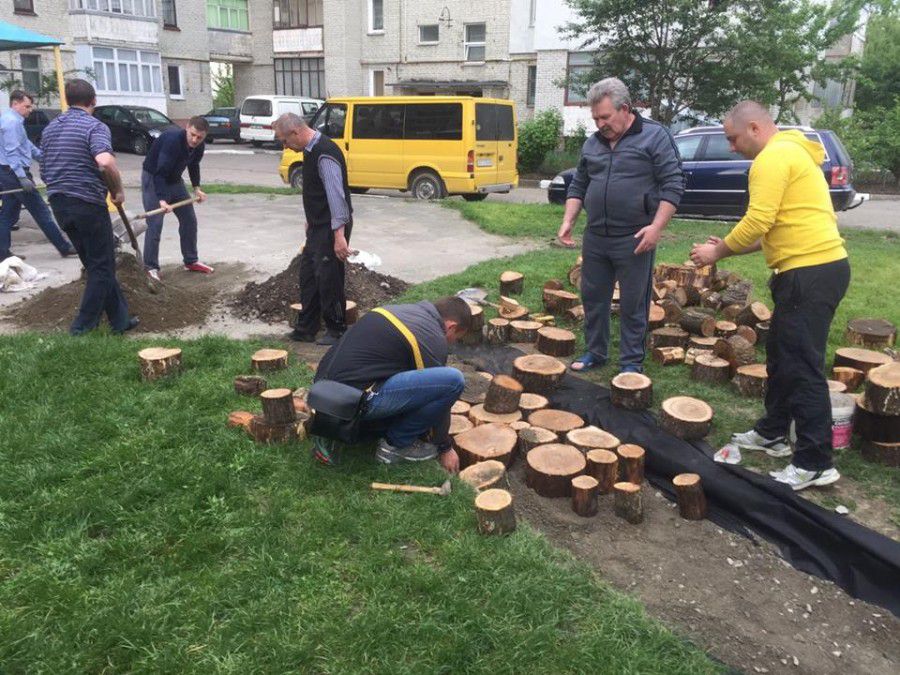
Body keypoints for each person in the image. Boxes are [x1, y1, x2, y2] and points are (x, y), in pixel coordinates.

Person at [690, 100, 850, 491]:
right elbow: (773, 229)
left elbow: (757, 221)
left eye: (733, 138)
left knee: (802, 365)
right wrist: (729, 245)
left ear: (755, 129)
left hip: (809, 273)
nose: (731, 147)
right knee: (781, 354)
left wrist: (718, 251)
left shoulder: (771, 160)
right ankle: (773, 432)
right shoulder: (791, 152)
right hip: (812, 269)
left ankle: (815, 462)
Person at [557, 77, 684, 374]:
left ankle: (630, 363)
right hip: (597, 236)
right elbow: (579, 185)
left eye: (605, 117)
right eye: (596, 118)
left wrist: (657, 227)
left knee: (633, 303)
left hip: (635, 236)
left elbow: (674, 184)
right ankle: (595, 352)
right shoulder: (593, 143)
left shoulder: (655, 136)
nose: (600, 124)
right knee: (593, 298)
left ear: (625, 108)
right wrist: (568, 222)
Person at [312, 296, 472, 472]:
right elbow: (439, 392)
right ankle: (396, 446)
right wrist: (445, 447)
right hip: (354, 401)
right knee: (453, 381)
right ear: (452, 327)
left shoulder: (400, 311)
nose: (451, 343)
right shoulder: (432, 336)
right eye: (456, 338)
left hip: (322, 392)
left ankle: (342, 430)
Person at [40, 79, 138, 336]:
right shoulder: (94, 126)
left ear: (67, 99)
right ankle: (81, 328)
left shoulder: (50, 129)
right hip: (86, 204)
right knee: (103, 267)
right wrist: (117, 191)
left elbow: (43, 170)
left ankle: (121, 320)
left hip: (59, 204)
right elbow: (105, 162)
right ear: (93, 101)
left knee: (97, 266)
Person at [273, 112, 353, 346]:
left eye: (285, 141)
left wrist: (339, 235)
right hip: (318, 226)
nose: (285, 146)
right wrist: (310, 220)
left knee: (329, 277)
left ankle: (337, 329)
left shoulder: (325, 152)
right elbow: (316, 192)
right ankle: (306, 328)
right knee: (308, 275)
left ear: (295, 132)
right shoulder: (308, 151)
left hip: (332, 226)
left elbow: (336, 196)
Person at [0, 89, 77, 262]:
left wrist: (44, 156)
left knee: (8, 214)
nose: (30, 110)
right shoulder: (11, 123)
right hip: (14, 173)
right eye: (27, 106)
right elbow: (12, 152)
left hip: (9, 172)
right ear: (15, 103)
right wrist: (21, 177)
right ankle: (64, 247)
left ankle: (2, 254)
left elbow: (25, 144)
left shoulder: (12, 120)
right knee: (41, 211)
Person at [141, 116, 212, 281]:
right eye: (192, 134)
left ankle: (191, 260)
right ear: (187, 128)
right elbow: (160, 173)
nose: (195, 140)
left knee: (189, 220)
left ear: (204, 136)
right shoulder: (172, 141)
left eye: (199, 137)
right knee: (155, 223)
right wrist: (162, 200)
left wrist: (197, 189)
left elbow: (193, 165)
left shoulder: (198, 146)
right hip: (153, 178)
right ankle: (150, 267)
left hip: (174, 179)